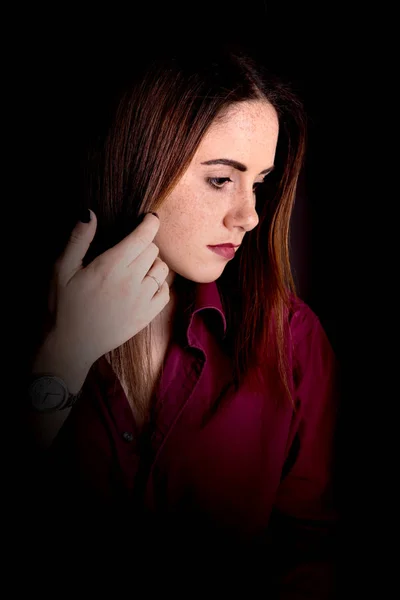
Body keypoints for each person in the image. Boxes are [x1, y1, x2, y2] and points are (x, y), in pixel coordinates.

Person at [22, 43, 339, 595]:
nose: (250, 216)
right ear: (143, 160)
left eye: (259, 183)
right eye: (221, 179)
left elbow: (312, 553)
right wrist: (65, 356)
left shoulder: (292, 340)